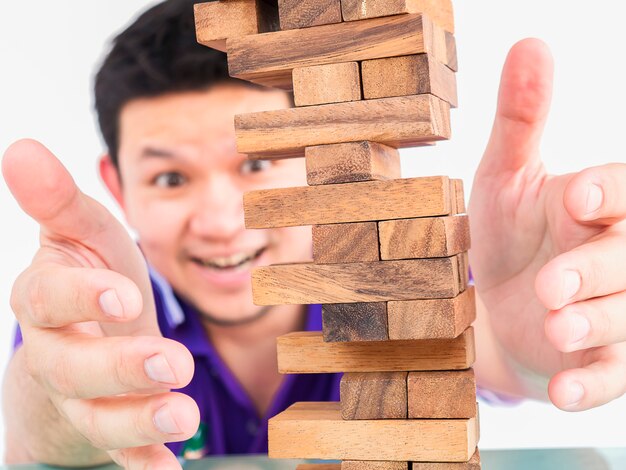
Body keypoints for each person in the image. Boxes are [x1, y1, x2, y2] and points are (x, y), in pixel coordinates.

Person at [3, 0, 626, 468]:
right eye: (169, 178)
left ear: (324, 157)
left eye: (256, 162)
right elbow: (38, 422)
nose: (222, 223)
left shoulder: (403, 280)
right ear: (117, 187)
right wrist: (54, 400)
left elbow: (497, 350)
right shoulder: (96, 305)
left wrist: (527, 345)